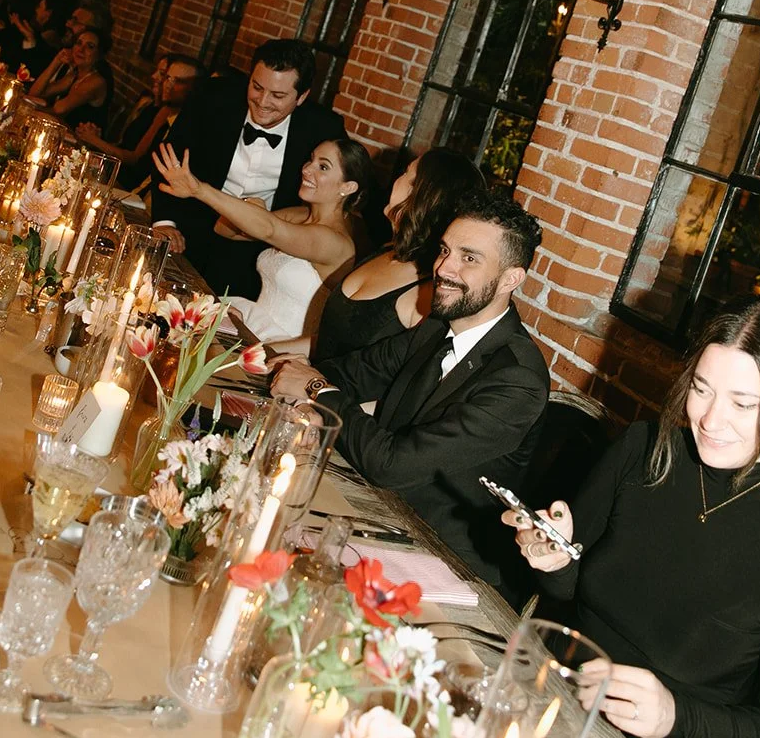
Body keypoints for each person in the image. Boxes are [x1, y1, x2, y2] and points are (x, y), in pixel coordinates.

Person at [508, 296, 760, 738]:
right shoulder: (644, 448)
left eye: (743, 403)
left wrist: (674, 716)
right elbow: (568, 591)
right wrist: (553, 560)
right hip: (545, 687)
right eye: (701, 390)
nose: (710, 419)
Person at [272, 193, 548, 597]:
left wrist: (316, 390)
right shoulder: (438, 325)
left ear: (511, 279)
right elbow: (353, 372)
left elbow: (391, 463)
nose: (444, 268)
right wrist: (289, 369)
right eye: (445, 251)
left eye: (469, 259)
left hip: (441, 565)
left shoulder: (518, 381)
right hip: (374, 513)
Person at [151, 38, 345, 299]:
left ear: (302, 97)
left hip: (258, 251)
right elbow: (169, 156)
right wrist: (165, 222)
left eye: (278, 95)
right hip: (191, 229)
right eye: (256, 87)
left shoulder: (322, 127)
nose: (263, 102)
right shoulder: (214, 95)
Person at [269, 147, 485, 367]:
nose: (396, 180)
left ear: (420, 193)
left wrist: (314, 384)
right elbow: (331, 343)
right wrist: (264, 350)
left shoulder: (427, 290)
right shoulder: (387, 251)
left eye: (405, 173)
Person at [155, 135, 373, 343]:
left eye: (323, 167)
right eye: (311, 159)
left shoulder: (335, 242)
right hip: (250, 321)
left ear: (348, 187)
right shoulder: (300, 215)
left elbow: (268, 230)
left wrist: (199, 189)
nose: (307, 169)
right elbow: (225, 230)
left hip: (281, 343)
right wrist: (250, 204)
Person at [81, 54, 200, 192]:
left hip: (126, 185)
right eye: (167, 77)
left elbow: (136, 160)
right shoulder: (155, 107)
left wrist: (95, 141)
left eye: (176, 80)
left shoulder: (175, 118)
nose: (163, 81)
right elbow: (126, 145)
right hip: (118, 176)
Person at [30, 25, 110, 129]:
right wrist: (57, 61)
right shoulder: (75, 74)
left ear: (99, 55)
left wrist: (27, 109)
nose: (81, 49)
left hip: (81, 142)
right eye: (78, 43)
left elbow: (60, 109)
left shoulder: (96, 82)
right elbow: (35, 94)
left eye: (90, 46)